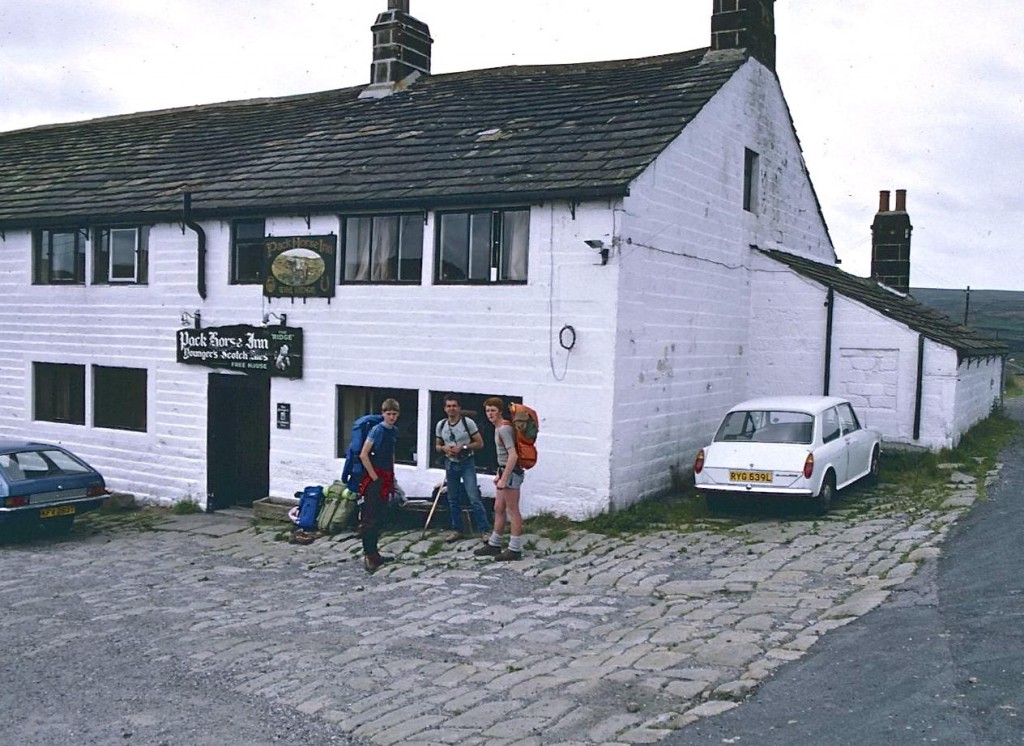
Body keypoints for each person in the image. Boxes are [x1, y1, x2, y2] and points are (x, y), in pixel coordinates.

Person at [434, 393, 491, 542]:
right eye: (448, 406)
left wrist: (463, 447)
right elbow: (437, 446)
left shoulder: (468, 423)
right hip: (450, 463)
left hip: (467, 462)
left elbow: (480, 443)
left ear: (459, 407)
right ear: (445, 408)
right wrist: (445, 449)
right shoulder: (441, 425)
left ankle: (485, 530)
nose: (451, 409)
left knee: (473, 497)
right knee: (453, 499)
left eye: (454, 406)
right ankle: (457, 529)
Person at [474, 397, 524, 561]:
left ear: (500, 411)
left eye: (493, 410)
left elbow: (513, 455)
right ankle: (495, 543)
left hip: (511, 473)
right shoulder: (499, 428)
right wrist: (498, 474)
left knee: (512, 510)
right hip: (503, 471)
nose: (490, 414)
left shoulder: (503, 429)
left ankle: (515, 548)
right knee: (498, 507)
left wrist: (504, 478)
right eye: (487, 411)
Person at [358, 398, 400, 573]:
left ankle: (375, 553)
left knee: (380, 516)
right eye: (388, 414)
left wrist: (392, 476)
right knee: (370, 518)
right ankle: (369, 554)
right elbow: (364, 454)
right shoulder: (377, 430)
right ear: (383, 414)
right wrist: (374, 476)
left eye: (394, 414)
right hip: (375, 479)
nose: (391, 417)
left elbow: (390, 455)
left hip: (386, 477)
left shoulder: (393, 431)